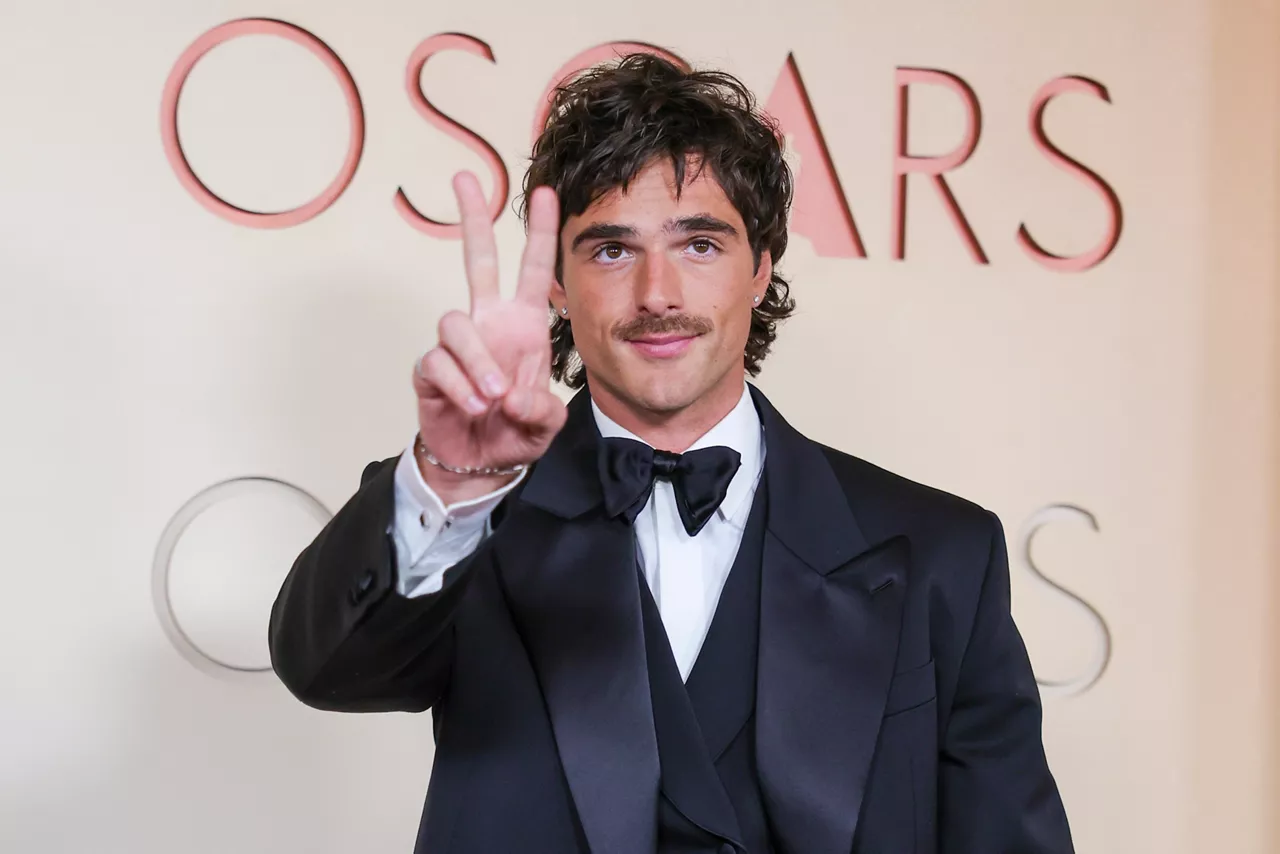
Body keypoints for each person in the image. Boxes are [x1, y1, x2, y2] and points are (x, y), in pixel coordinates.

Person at [268, 53, 1074, 854]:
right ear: (555, 282)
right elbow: (327, 669)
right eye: (612, 250)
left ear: (760, 268)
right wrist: (457, 477)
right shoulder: (468, 516)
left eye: (699, 245)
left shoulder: (942, 555)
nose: (657, 293)